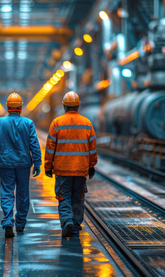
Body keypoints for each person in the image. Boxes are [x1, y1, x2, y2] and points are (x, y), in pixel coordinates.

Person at [44, 91, 97, 238]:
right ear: (78, 106)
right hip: (81, 169)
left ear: (64, 106)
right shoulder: (87, 123)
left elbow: (50, 148)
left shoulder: (56, 123)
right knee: (78, 197)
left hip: (62, 169)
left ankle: (67, 220)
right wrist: (91, 165)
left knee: (64, 196)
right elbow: (92, 148)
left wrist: (48, 167)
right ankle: (75, 225)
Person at [0, 93, 42, 238]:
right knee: (23, 194)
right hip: (24, 164)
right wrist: (37, 163)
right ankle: (20, 224)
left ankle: (7, 221)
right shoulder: (28, 123)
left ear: (7, 107)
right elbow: (34, 145)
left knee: (7, 192)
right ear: (21, 107)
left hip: (5, 163)